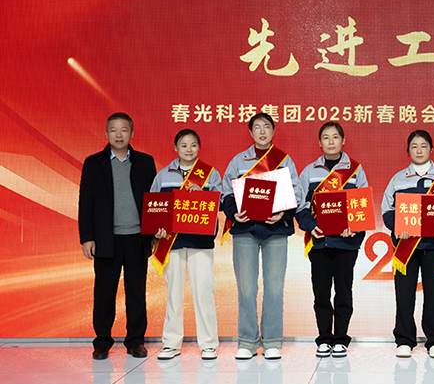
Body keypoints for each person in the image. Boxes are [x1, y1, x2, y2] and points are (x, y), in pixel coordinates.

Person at [221, 113, 300, 361]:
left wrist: (283, 213)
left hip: (275, 231)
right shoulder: (238, 161)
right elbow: (226, 193)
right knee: (246, 288)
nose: (262, 131)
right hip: (245, 230)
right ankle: (247, 341)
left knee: (274, 288)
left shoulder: (284, 160)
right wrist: (234, 214)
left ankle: (272, 341)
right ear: (250, 132)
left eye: (267, 126)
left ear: (273, 131)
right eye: (257, 127)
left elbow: (296, 193)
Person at [78, 112, 156, 360]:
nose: (119, 135)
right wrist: (87, 237)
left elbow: (153, 201)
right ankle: (102, 341)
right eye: (113, 130)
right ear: (106, 133)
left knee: (136, 293)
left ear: (132, 133)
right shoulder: (93, 163)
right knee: (104, 292)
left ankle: (135, 341)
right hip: (105, 239)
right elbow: (85, 203)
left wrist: (154, 233)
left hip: (137, 238)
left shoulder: (145, 162)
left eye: (124, 130)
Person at [381, 130, 434, 359]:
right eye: (414, 146)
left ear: (431, 149)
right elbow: (387, 210)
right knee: (404, 294)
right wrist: (398, 227)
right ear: (408, 150)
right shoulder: (398, 179)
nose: (419, 150)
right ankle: (404, 340)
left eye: (424, 145)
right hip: (405, 246)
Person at [296, 122, 369, 359]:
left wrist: (354, 227)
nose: (330, 141)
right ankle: (324, 338)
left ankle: (341, 339)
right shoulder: (309, 171)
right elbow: (301, 206)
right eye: (326, 137)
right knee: (321, 292)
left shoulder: (355, 170)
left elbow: (362, 206)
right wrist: (311, 226)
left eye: (335, 137)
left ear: (343, 140)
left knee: (344, 292)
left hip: (346, 244)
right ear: (320, 143)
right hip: (319, 242)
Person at [150, 129, 223, 361]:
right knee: (174, 293)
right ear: (175, 148)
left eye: (193, 145)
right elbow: (154, 206)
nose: (188, 149)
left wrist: (203, 194)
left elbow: (221, 202)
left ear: (199, 147)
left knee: (204, 292)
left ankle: (208, 344)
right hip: (172, 241)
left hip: (200, 240)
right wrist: (156, 230)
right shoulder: (163, 175)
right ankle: (171, 343)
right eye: (183, 145)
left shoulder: (210, 174)